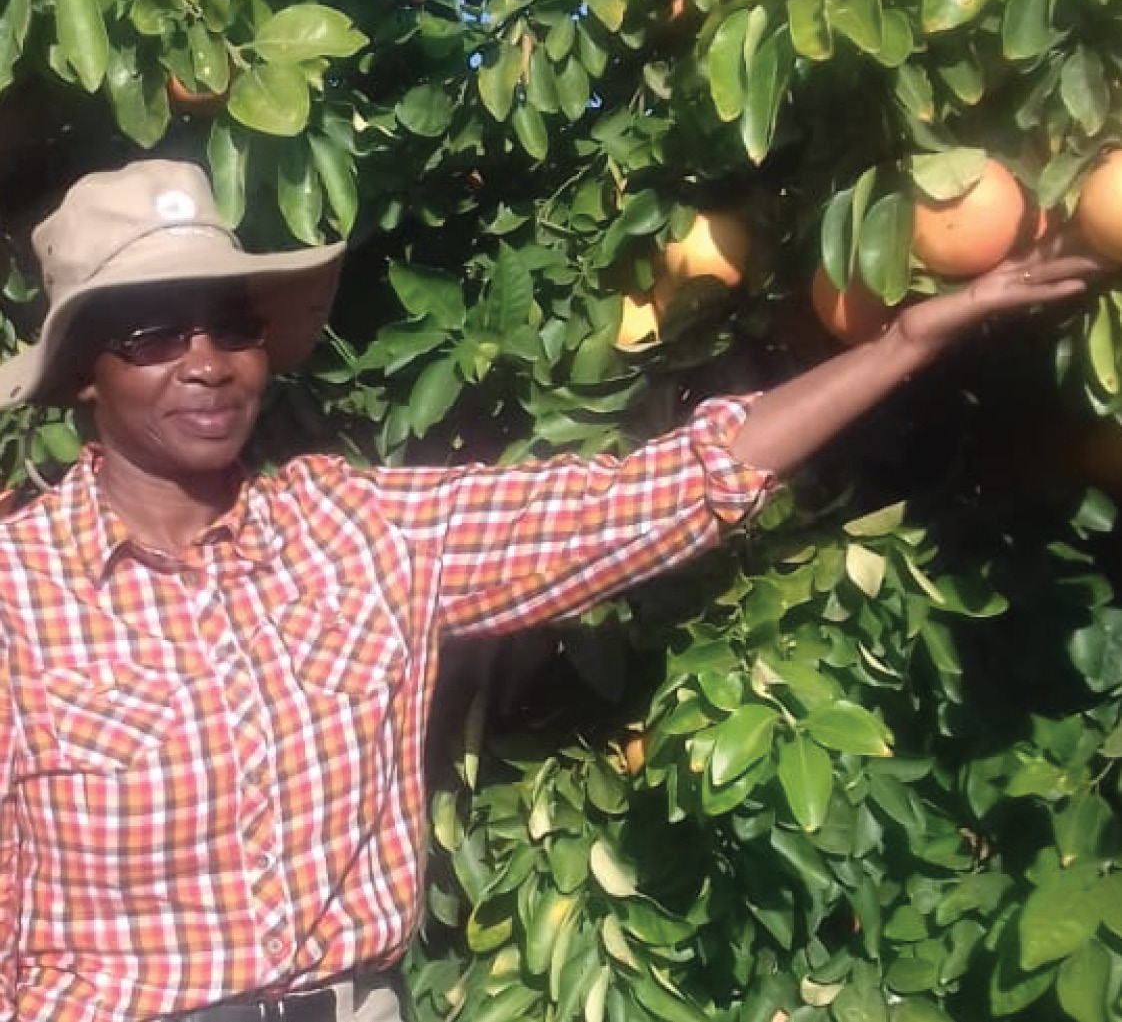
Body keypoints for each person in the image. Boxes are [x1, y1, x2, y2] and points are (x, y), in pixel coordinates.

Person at [0, 159, 1104, 1022]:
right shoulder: (17, 594)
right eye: (152, 332)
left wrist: (909, 336)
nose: (205, 360)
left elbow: (656, 495)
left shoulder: (357, 532)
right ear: (83, 371)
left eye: (229, 323)